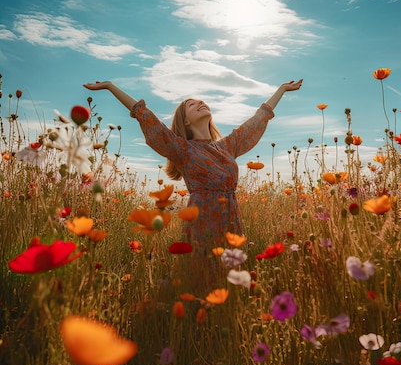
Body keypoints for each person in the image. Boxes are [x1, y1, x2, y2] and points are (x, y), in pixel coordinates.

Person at [83, 79, 303, 251]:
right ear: (185, 121)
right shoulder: (183, 150)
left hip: (231, 224)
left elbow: (259, 119)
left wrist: (281, 89)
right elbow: (145, 116)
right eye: (192, 104)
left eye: (201, 101)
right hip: (201, 227)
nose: (200, 103)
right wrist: (111, 87)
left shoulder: (227, 146)